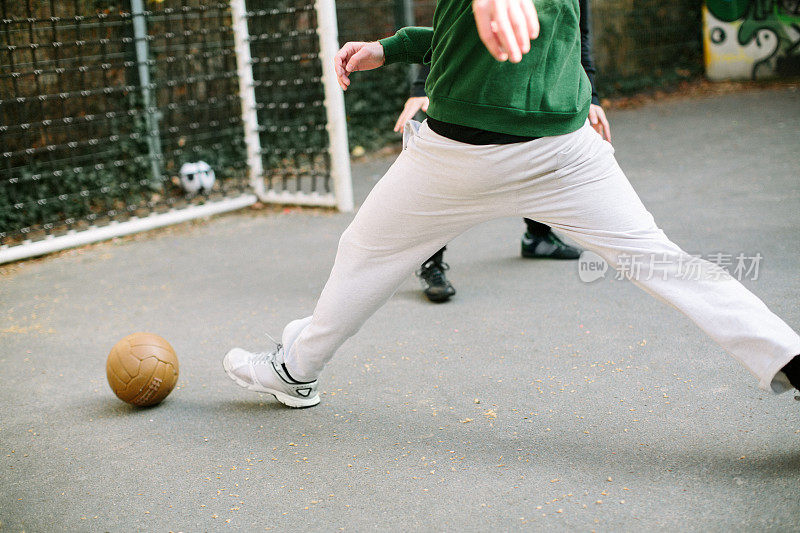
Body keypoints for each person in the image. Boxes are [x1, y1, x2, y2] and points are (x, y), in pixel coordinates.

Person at [223, 0, 800, 408]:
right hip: (540, 153)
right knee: (666, 264)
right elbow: (465, 34)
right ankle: (295, 370)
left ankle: (296, 371)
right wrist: (390, 47)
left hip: (487, 157)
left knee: (364, 255)